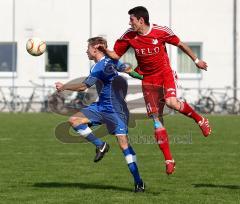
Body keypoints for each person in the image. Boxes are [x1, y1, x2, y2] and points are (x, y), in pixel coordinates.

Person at [97, 6, 212, 175]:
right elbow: (116, 55)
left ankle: (200, 120)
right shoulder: (129, 36)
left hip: (165, 73)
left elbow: (180, 44)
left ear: (141, 20)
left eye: (132, 20)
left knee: (172, 102)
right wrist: (105, 51)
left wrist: (196, 60)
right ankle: (169, 160)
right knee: (157, 121)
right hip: (148, 80)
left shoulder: (161, 31)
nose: (130, 23)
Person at [55, 36, 145, 192]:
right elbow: (130, 71)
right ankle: (100, 145)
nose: (86, 51)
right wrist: (146, 77)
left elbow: (84, 86)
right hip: (100, 107)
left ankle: (138, 181)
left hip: (115, 111)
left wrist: (64, 87)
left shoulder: (98, 67)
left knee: (124, 145)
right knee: (75, 120)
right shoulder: (112, 61)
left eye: (88, 48)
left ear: (95, 48)